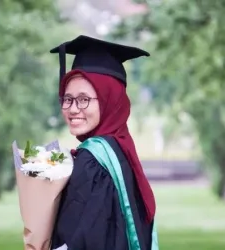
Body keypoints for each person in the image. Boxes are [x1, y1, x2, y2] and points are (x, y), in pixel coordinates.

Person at [50, 35, 159, 250]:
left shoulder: (91, 162)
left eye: (84, 99)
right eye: (67, 98)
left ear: (110, 99)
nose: (72, 109)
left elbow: (79, 241)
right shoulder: (121, 150)